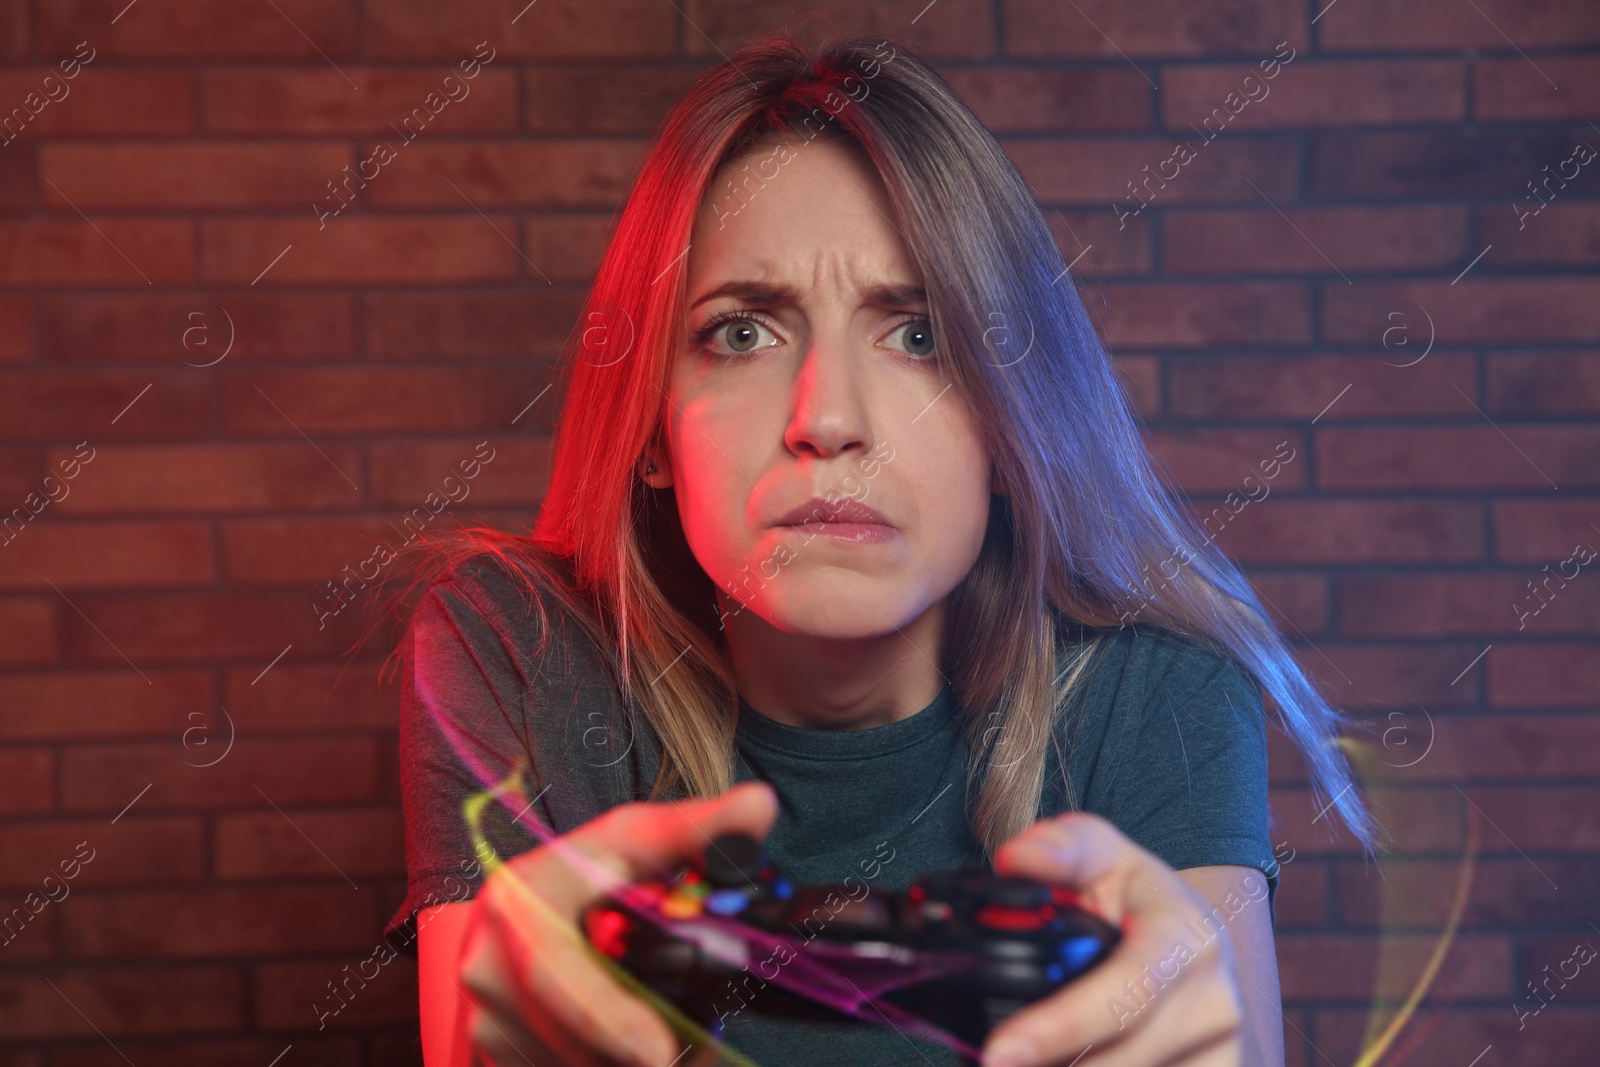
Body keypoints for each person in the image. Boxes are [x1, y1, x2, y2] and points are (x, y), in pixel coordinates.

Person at [378, 30, 1378, 1067]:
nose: (828, 418)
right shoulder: (518, 648)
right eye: (741, 332)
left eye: (917, 333)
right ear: (651, 429)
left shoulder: (1152, 688)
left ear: (1010, 423)